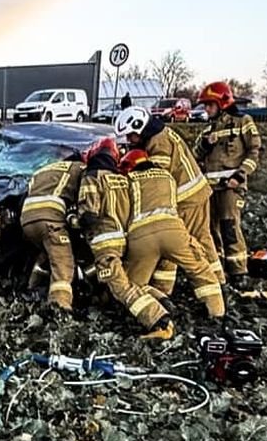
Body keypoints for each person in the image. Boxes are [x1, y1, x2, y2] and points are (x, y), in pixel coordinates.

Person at [114, 106, 223, 292]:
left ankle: (209, 282)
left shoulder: (158, 142)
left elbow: (155, 174)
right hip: (194, 193)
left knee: (188, 241)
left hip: (187, 197)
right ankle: (210, 281)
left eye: (131, 135)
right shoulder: (160, 133)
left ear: (139, 127)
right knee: (188, 240)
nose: (129, 141)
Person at [76, 137, 174, 340]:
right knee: (126, 281)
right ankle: (163, 302)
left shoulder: (92, 176)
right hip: (125, 240)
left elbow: (88, 215)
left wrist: (73, 219)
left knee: (122, 287)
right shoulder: (122, 179)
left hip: (105, 243)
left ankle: (158, 321)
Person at [118, 149, 225, 324]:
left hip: (142, 237)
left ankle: (158, 308)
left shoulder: (127, 181)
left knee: (133, 285)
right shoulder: (168, 177)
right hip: (173, 232)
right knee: (200, 271)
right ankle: (217, 314)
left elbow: (122, 213)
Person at [191, 81, 262, 286]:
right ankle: (218, 269)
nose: (206, 109)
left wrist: (240, 176)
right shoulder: (207, 130)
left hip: (231, 187)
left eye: (209, 105)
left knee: (230, 227)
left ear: (221, 103)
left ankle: (239, 271)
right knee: (211, 230)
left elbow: (254, 152)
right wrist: (205, 144)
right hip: (210, 189)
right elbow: (196, 154)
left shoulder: (243, 121)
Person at [20, 153, 85, 311]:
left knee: (47, 254)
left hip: (27, 219)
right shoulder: (79, 168)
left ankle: (29, 293)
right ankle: (59, 309)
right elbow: (86, 197)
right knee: (63, 266)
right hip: (49, 219)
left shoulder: (42, 170)